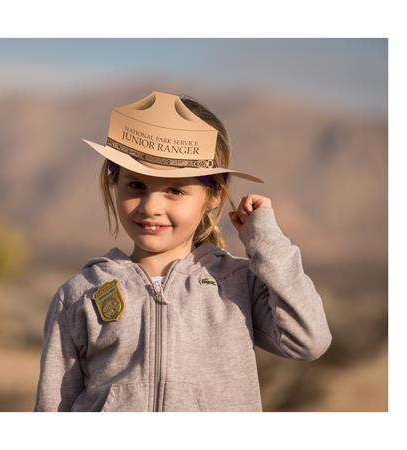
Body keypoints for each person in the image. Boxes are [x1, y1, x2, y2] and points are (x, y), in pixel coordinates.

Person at [33, 90, 332, 412]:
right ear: (113, 184)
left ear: (214, 195)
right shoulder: (81, 293)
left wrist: (266, 241)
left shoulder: (239, 284)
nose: (151, 206)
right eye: (136, 185)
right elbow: (54, 404)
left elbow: (309, 341)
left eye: (175, 190)